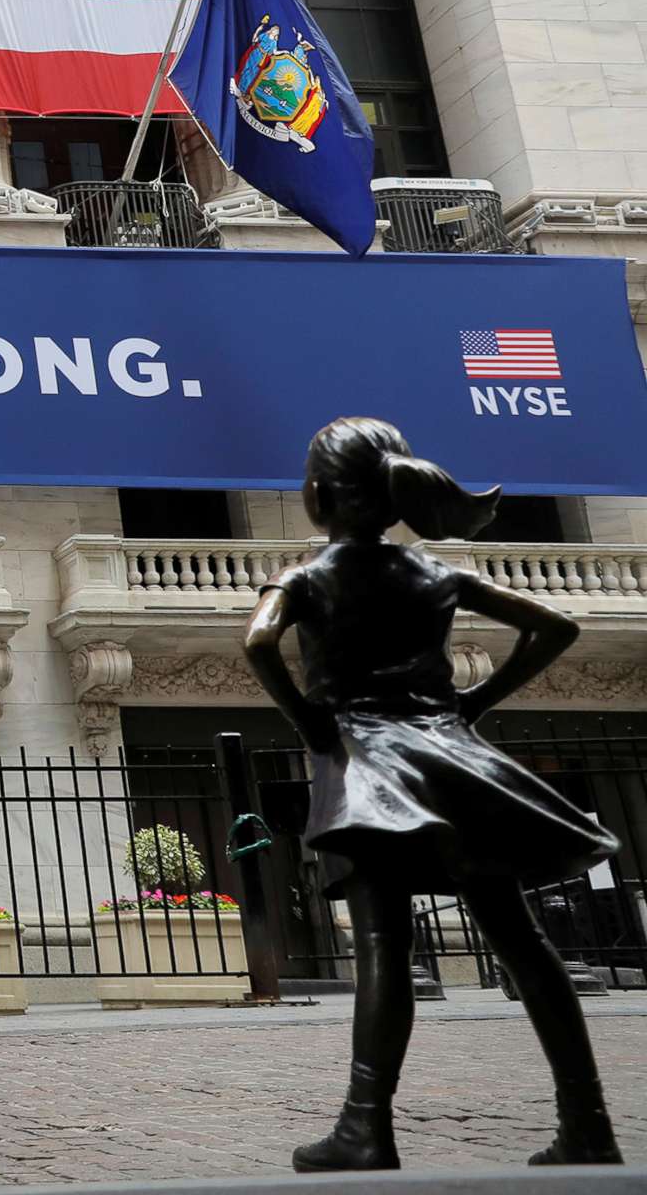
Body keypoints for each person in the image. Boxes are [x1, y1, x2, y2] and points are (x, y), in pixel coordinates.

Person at [243, 418, 623, 1171]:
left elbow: (258, 641)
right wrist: (477, 703)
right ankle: (588, 1120)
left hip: (369, 761)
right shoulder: (431, 572)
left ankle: (366, 1126)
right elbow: (556, 626)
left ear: (317, 495)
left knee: (385, 942)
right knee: (524, 943)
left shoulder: (310, 575)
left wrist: (311, 720)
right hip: (452, 757)